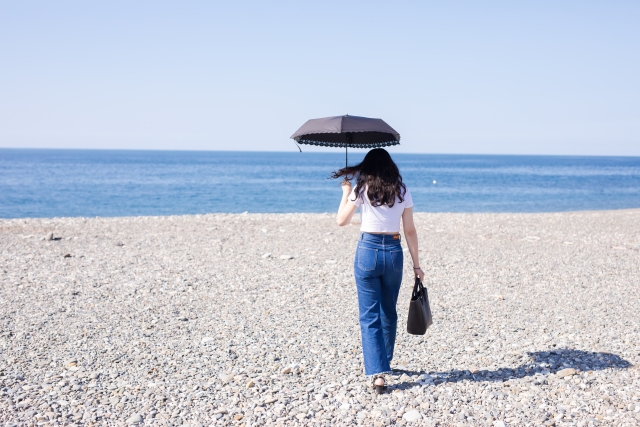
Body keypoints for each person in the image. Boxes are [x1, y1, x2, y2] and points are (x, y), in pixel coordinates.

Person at [332, 148, 424, 394]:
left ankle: (378, 374)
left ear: (368, 168)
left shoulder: (361, 189)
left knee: (369, 315)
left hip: (368, 251)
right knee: (388, 311)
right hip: (394, 252)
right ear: (390, 167)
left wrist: (345, 192)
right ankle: (385, 361)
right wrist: (417, 265)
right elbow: (410, 231)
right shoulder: (402, 190)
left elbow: (341, 220)